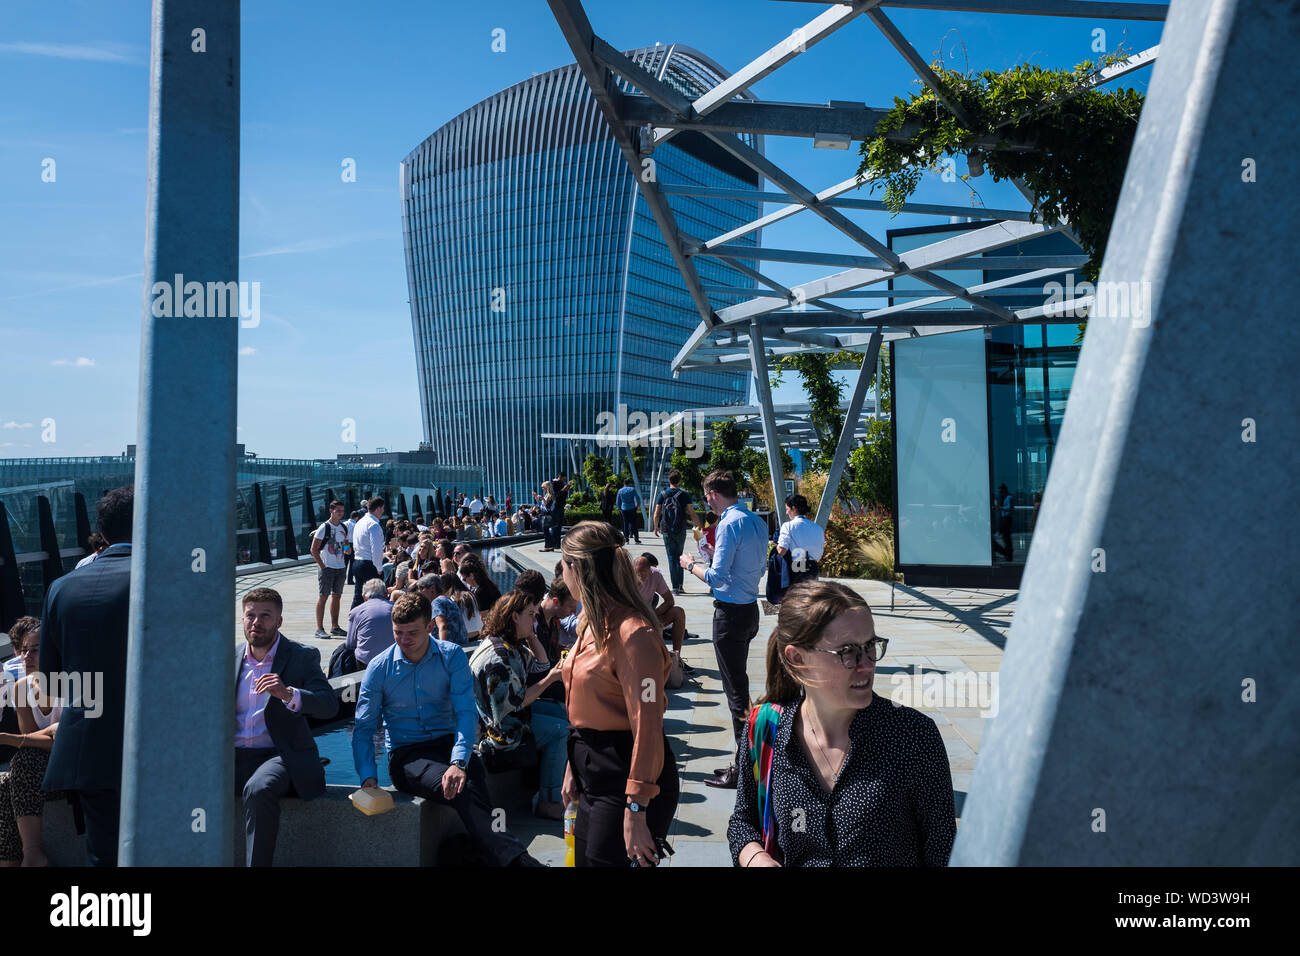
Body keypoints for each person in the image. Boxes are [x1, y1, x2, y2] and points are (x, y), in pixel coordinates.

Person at [729, 581, 955, 866]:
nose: (868, 664)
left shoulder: (913, 735)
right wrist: (755, 857)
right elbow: (742, 822)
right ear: (798, 658)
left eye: (870, 645)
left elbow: (943, 851)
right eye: (848, 651)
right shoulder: (766, 729)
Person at [353, 592, 541, 866]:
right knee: (458, 786)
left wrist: (459, 760)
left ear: (430, 627)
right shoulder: (378, 668)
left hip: (447, 744)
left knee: (473, 775)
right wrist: (368, 776)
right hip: (408, 755)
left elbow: (466, 713)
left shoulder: (451, 656)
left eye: (412, 633)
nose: (404, 640)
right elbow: (363, 727)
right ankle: (520, 862)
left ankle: (493, 856)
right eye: (398, 632)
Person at [559, 522, 678, 867]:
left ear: (577, 569)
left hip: (626, 776)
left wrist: (637, 809)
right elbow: (584, 705)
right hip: (593, 772)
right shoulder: (591, 624)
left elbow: (648, 726)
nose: (561, 575)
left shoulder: (632, 635)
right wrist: (573, 766)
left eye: (563, 566)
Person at [39, 485, 133, 867]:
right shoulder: (168, 580)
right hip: (158, 744)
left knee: (103, 854)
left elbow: (49, 682)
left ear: (103, 532)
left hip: (87, 745)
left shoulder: (61, 587)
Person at [678, 470, 769, 790]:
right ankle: (746, 762)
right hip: (749, 612)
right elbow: (758, 567)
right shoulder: (756, 521)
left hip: (729, 616)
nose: (707, 504)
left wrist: (690, 564)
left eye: (707, 498)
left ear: (714, 495)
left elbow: (716, 579)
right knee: (739, 690)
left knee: (736, 696)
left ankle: (745, 771)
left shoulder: (729, 523)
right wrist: (712, 556)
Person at [235, 588, 338, 866]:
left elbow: (329, 705)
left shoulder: (301, 657)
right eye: (250, 615)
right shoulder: (228, 658)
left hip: (278, 755)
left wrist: (289, 694)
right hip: (233, 756)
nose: (256, 622)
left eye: (265, 616)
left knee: (259, 789)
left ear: (279, 621)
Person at [470, 589, 569, 820]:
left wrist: (531, 635)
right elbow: (516, 703)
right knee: (561, 731)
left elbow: (541, 664)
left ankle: (554, 782)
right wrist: (551, 679)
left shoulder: (508, 644)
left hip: (509, 715)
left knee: (560, 710)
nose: (535, 621)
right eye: (531, 615)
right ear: (514, 617)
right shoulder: (498, 658)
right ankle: (549, 800)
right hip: (500, 732)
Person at [0, 617, 60, 867]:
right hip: (39, 768)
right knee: (4, 783)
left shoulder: (74, 682)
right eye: (23, 649)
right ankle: (10, 863)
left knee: (23, 760)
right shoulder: (21, 688)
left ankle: (33, 854)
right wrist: (40, 737)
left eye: (35, 649)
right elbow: (33, 739)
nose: (27, 656)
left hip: (71, 765)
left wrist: (7, 739)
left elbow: (61, 740)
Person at [632, 554, 688, 667]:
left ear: (650, 571)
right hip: (630, 619)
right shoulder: (624, 576)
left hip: (648, 616)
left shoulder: (655, 575)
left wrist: (653, 614)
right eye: (637, 575)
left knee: (678, 612)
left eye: (643, 575)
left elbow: (669, 601)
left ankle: (676, 657)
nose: (640, 579)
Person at [652, 469, 701, 595]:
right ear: (679, 481)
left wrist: (656, 527)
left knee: (671, 558)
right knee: (680, 556)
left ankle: (675, 587)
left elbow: (657, 513)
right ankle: (679, 585)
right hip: (680, 529)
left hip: (667, 530)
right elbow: (692, 513)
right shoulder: (684, 495)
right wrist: (699, 525)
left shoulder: (662, 494)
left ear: (669, 480)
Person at [311, 500, 350, 639]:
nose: (340, 513)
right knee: (323, 596)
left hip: (340, 567)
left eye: (342, 510)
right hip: (327, 567)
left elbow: (347, 549)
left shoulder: (344, 527)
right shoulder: (324, 527)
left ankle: (335, 627)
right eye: (337, 510)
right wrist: (322, 566)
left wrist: (347, 546)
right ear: (331, 511)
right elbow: (313, 549)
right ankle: (319, 628)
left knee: (337, 596)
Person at [776, 494, 825, 589]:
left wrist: (777, 546)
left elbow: (781, 551)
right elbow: (819, 553)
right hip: (813, 567)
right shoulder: (818, 528)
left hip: (796, 566)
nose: (786, 512)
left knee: (795, 599)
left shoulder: (788, 526)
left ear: (793, 508)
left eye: (787, 509)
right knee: (810, 599)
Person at [345, 578, 396, 668]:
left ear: (364, 596)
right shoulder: (396, 609)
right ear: (386, 595)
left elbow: (350, 644)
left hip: (366, 661)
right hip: (392, 660)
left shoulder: (356, 611)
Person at [350, 496, 387, 609]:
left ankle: (353, 621)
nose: (383, 511)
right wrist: (379, 568)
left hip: (357, 562)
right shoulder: (374, 525)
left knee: (358, 597)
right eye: (383, 508)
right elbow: (376, 550)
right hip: (369, 565)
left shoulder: (360, 522)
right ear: (378, 508)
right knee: (374, 598)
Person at [413, 574, 469, 646]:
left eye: (421, 588)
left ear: (432, 588)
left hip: (450, 648)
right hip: (460, 645)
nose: (419, 592)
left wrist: (443, 649)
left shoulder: (436, 602)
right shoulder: (448, 600)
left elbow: (442, 626)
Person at [615, 477, 641, 545]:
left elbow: (618, 501)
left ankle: (626, 539)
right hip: (632, 508)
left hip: (624, 508)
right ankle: (636, 539)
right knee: (634, 524)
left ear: (624, 483)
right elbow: (637, 498)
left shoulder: (620, 491)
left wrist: (619, 508)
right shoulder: (632, 489)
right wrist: (638, 505)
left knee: (625, 524)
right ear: (629, 483)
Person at [994, 484, 1014, 561]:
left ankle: (1009, 554)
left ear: (1005, 490)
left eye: (1001, 491)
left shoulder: (1009, 498)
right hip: (1004, 518)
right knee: (1005, 537)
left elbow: (1009, 508)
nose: (1000, 493)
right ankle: (1008, 554)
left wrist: (1000, 507)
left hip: (1007, 518)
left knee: (1006, 537)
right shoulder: (1004, 497)